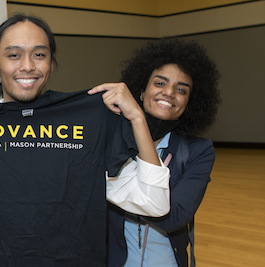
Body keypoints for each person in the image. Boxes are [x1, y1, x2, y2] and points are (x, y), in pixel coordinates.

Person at [0, 14, 171, 266]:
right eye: (13, 55)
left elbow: (155, 203)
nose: (27, 66)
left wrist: (137, 120)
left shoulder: (87, 124)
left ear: (50, 63)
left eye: (39, 54)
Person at [89, 38, 221, 267]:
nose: (169, 93)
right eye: (160, 83)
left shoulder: (199, 151)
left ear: (189, 104)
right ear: (140, 92)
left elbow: (175, 217)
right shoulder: (109, 140)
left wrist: (138, 119)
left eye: (181, 90)